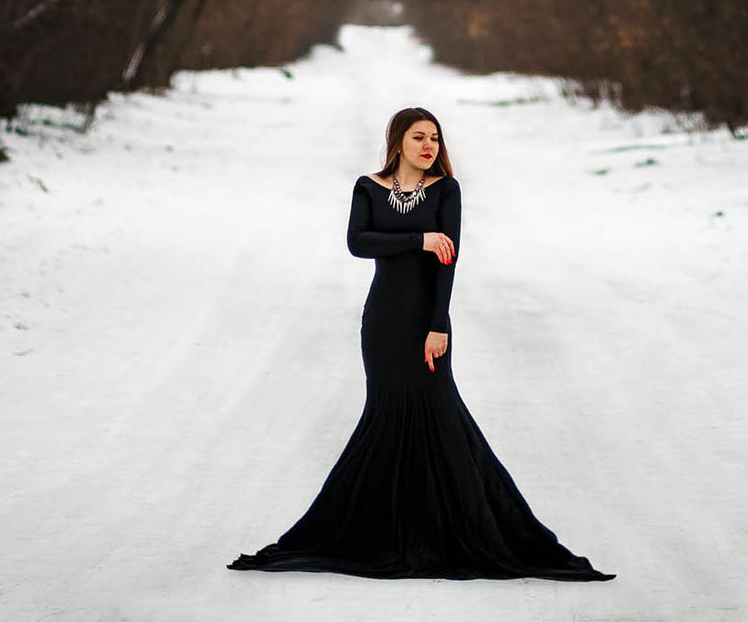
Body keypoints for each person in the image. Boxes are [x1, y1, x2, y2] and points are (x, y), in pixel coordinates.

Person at [228, 106, 613, 581]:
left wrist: (439, 325)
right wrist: (418, 239)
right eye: (418, 137)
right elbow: (357, 242)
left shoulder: (447, 190)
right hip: (382, 323)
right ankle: (384, 530)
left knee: (441, 416)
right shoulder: (367, 186)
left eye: (434, 137)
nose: (428, 146)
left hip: (426, 323)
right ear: (397, 143)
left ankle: (459, 527)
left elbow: (447, 264)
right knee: (385, 416)